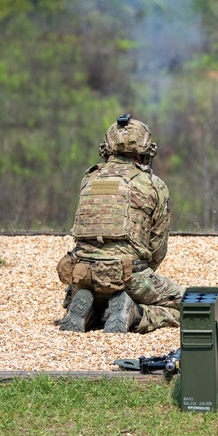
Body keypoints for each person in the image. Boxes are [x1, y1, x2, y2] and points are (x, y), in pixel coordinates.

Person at [56, 114, 184, 333]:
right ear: (145, 150)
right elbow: (157, 248)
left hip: (83, 274)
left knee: (94, 291)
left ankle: (90, 309)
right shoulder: (154, 185)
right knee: (188, 308)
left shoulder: (89, 178)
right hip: (129, 274)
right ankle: (135, 314)